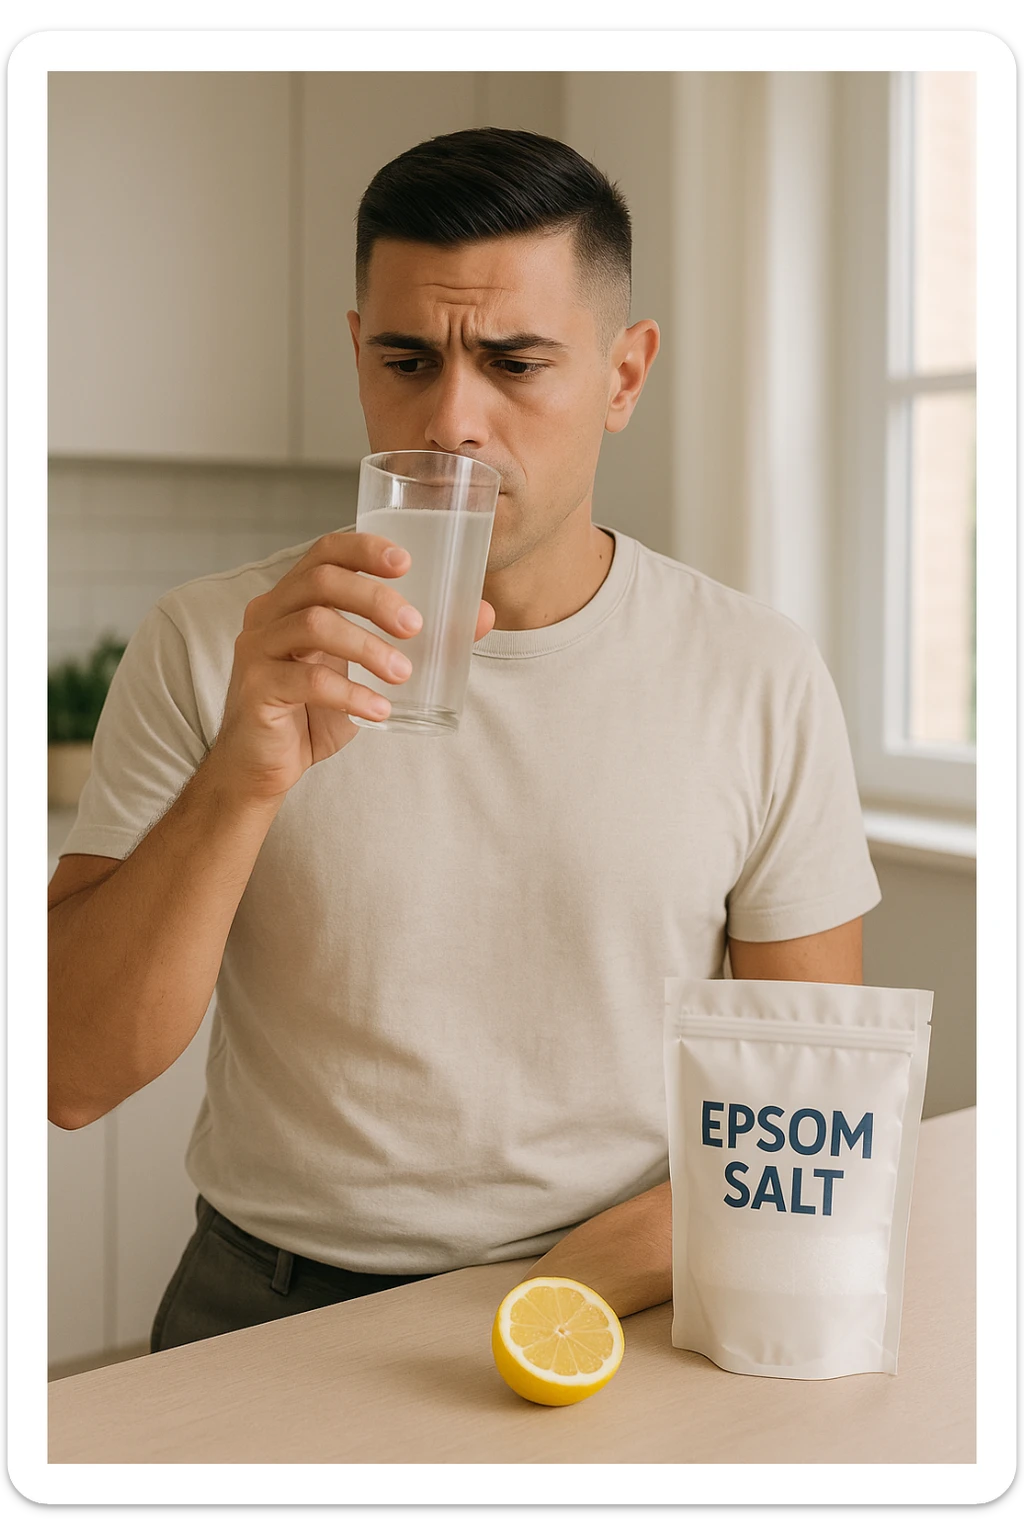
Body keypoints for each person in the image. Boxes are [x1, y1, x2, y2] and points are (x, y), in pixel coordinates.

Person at [47, 127, 881, 1351]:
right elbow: (70, 1075)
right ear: (357, 356)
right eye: (405, 358)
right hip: (265, 1306)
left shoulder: (754, 671)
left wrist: (576, 1288)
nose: (450, 421)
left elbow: (809, 1097)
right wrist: (244, 776)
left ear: (624, 374)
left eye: (515, 361)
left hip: (621, 1296)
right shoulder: (213, 641)